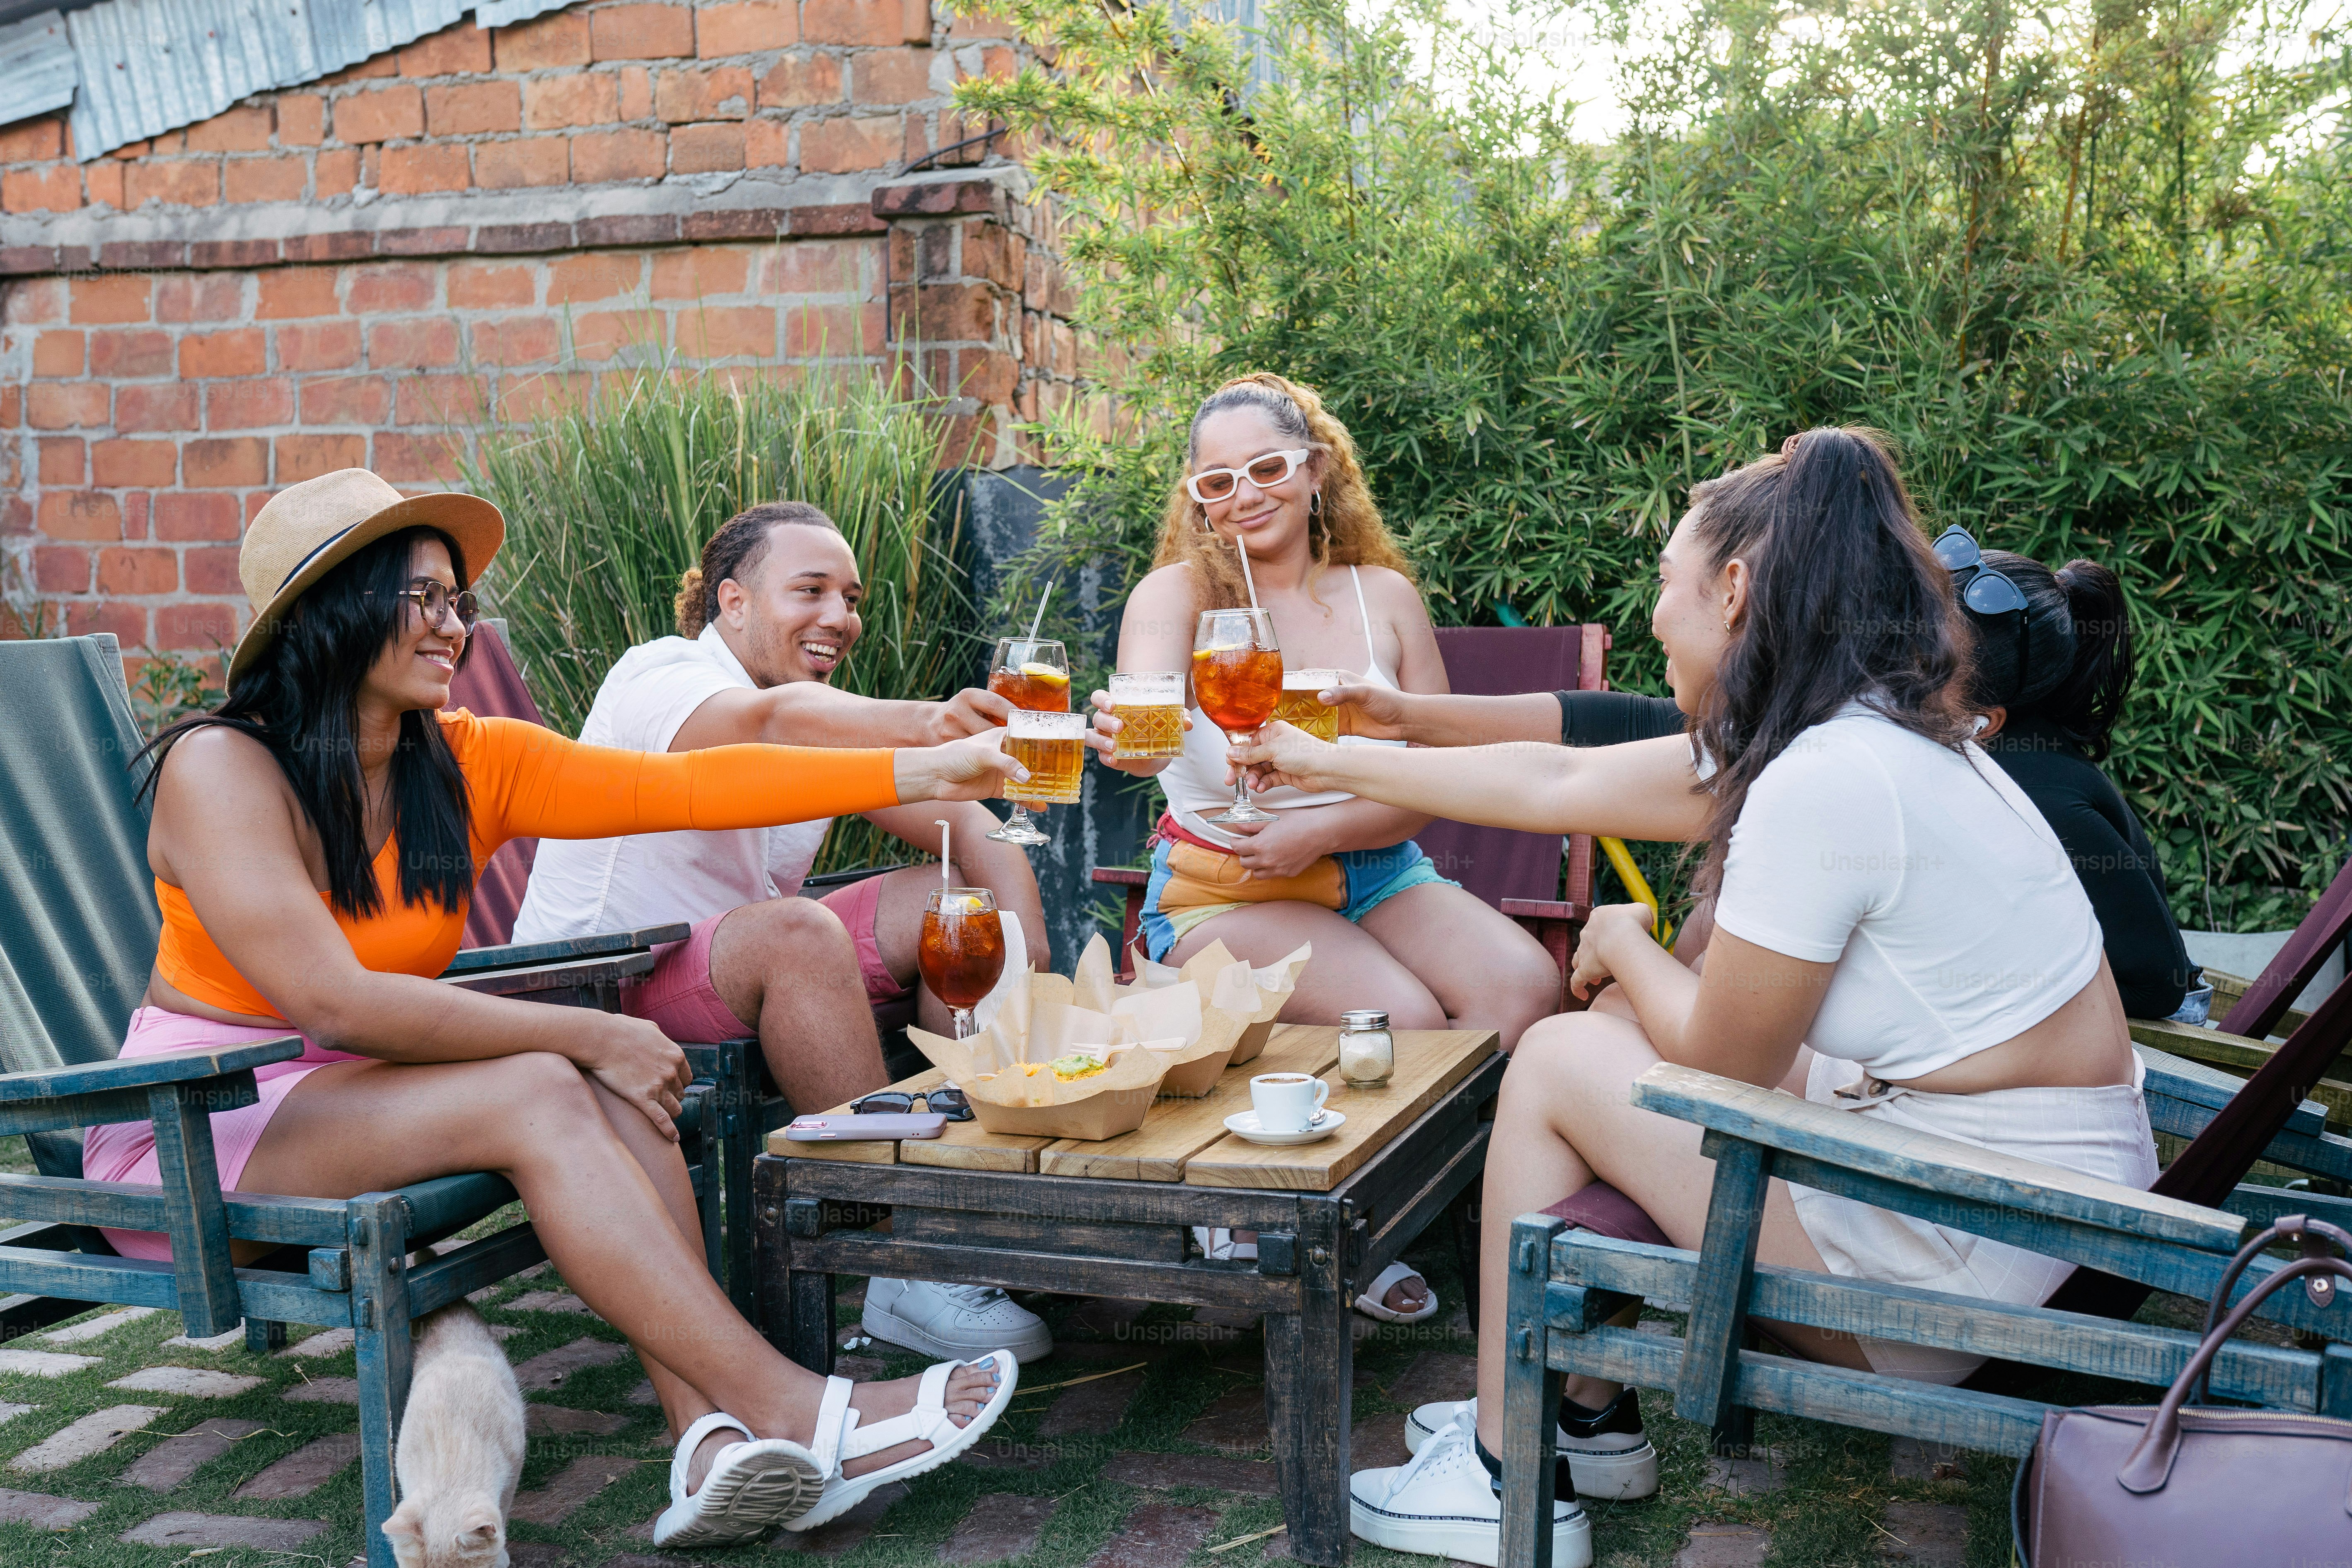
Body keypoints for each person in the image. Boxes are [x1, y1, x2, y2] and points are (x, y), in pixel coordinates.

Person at [1232, 429, 2157, 1568]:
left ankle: (1496, 1470)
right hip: (2012, 1210)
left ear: (1732, 591)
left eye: (1664, 587)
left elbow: (1717, 1063)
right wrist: (1325, 759)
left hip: (1959, 1270)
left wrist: (1621, 938)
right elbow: (1560, 778)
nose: (1656, 617)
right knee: (1617, 1029)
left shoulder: (1824, 778)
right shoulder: (1865, 735)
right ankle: (1581, 1411)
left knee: (1565, 1057)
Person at [87, 469, 1027, 1549]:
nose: (453, 626)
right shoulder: (224, 766)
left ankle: (707, 1445)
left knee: (613, 1086)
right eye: (423, 600)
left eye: (458, 602)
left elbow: (692, 785)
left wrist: (931, 758)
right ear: (330, 609)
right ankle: (799, 1407)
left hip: (342, 1099)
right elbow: (328, 998)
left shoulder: (464, 766)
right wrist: (585, 1027)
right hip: (195, 1128)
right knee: (557, 1072)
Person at [512, 501, 1056, 1364]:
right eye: (810, 590)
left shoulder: (818, 715)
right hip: (601, 981)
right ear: (732, 601)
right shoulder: (661, 674)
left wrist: (1022, 956)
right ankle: (898, 1263)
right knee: (799, 933)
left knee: (958, 901)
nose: (839, 617)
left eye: (850, 597)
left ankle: (976, 1201)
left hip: (721, 962)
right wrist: (930, 721)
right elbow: (764, 727)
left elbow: (974, 832)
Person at [1088, 372, 1561, 1322]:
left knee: (1522, 988)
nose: (1243, 495)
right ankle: (1333, 1227)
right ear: (1194, 498)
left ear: (1315, 472)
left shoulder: (1380, 595)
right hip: (1228, 885)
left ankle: (1415, 1204)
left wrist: (1327, 826)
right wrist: (1124, 733)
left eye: (1265, 468)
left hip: (1375, 863)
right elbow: (1143, 732)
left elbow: (1427, 770)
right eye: (1214, 483)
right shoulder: (1176, 595)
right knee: (1402, 1020)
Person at [1325, 537, 2193, 1017]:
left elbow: (2155, 978)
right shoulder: (1875, 739)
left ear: (1980, 722)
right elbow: (1626, 728)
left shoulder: (2031, 792)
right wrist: (1409, 719)